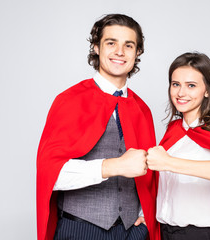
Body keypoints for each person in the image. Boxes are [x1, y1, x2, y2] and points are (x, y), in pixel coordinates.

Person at [37, 14, 160, 240]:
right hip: (80, 230)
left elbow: (151, 177)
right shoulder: (70, 100)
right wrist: (113, 166)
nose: (120, 52)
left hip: (132, 232)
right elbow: (50, 176)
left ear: (138, 52)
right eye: (111, 43)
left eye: (128, 45)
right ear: (96, 47)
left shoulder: (142, 109)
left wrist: (144, 216)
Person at [146, 52, 210, 240]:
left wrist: (169, 162)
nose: (180, 93)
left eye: (191, 86)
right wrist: (145, 215)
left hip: (202, 234)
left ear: (208, 90)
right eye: (175, 84)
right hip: (165, 232)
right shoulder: (173, 131)